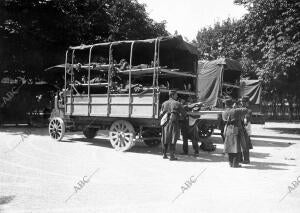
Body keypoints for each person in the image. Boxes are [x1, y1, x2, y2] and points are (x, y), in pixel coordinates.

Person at [160, 90, 187, 161]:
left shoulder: (164, 103)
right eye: (176, 95)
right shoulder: (177, 103)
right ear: (172, 95)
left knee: (165, 138)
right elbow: (184, 114)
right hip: (174, 123)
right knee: (173, 139)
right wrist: (180, 118)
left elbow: (161, 114)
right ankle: (172, 156)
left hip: (165, 123)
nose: (177, 96)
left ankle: (164, 154)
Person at [222, 98, 248, 168]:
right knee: (236, 146)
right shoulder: (235, 111)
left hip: (228, 129)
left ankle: (230, 163)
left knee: (230, 146)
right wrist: (242, 104)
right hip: (235, 129)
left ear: (226, 104)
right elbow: (245, 110)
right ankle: (235, 164)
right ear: (232, 104)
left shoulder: (224, 112)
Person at [239, 96, 253, 164]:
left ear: (247, 102)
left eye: (243, 102)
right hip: (241, 128)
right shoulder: (241, 109)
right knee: (240, 144)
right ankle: (240, 159)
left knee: (245, 144)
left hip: (246, 128)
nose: (242, 103)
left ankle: (246, 159)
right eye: (241, 101)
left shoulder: (248, 110)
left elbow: (246, 120)